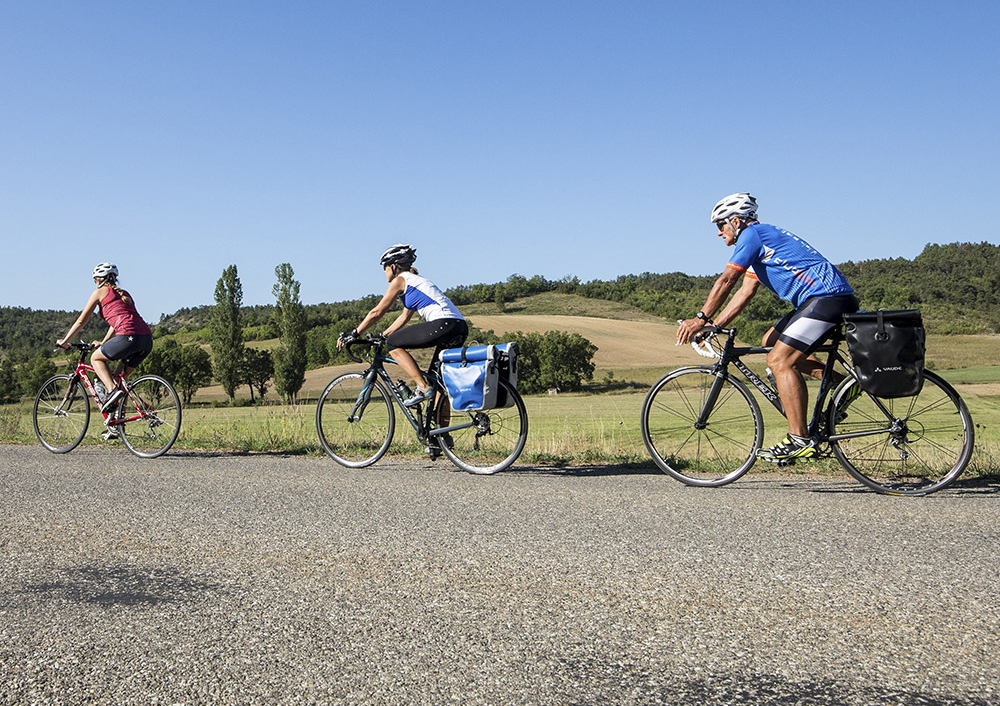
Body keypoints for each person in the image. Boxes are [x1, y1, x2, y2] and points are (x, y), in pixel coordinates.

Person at [676, 193, 859, 462]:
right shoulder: (761, 239)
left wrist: (700, 318)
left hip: (825, 299)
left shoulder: (753, 236)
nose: (718, 233)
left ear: (736, 221)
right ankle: (839, 384)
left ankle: (799, 439)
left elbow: (727, 280)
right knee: (770, 341)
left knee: (779, 362)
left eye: (720, 225)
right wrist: (714, 326)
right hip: (824, 300)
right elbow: (745, 292)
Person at [339, 244, 468, 407]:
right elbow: (404, 316)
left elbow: (376, 312)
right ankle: (441, 431)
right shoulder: (416, 282)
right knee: (437, 381)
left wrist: (355, 333)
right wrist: (382, 335)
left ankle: (421, 387)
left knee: (393, 343)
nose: (384, 272)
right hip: (459, 326)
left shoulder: (400, 280)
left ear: (393, 266)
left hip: (443, 323)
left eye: (385, 267)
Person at [57, 263, 154, 413]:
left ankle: (111, 391)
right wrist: (104, 342)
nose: (95, 283)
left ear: (100, 279)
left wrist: (65, 341)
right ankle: (117, 424)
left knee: (96, 359)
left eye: (95, 280)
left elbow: (81, 321)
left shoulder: (100, 292)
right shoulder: (124, 293)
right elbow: (116, 323)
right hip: (146, 340)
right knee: (119, 380)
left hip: (128, 337)